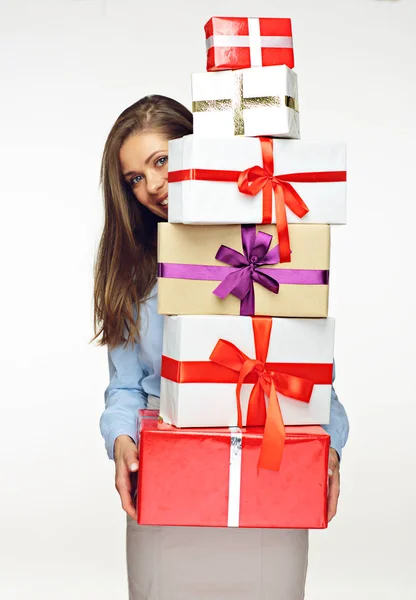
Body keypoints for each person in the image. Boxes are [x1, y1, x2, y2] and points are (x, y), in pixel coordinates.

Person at [94, 94, 350, 600]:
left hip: (266, 465)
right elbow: (124, 386)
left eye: (161, 161)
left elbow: (309, 371)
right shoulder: (130, 271)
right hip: (169, 468)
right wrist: (122, 442)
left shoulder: (267, 252)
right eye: (135, 179)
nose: (153, 187)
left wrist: (329, 447)